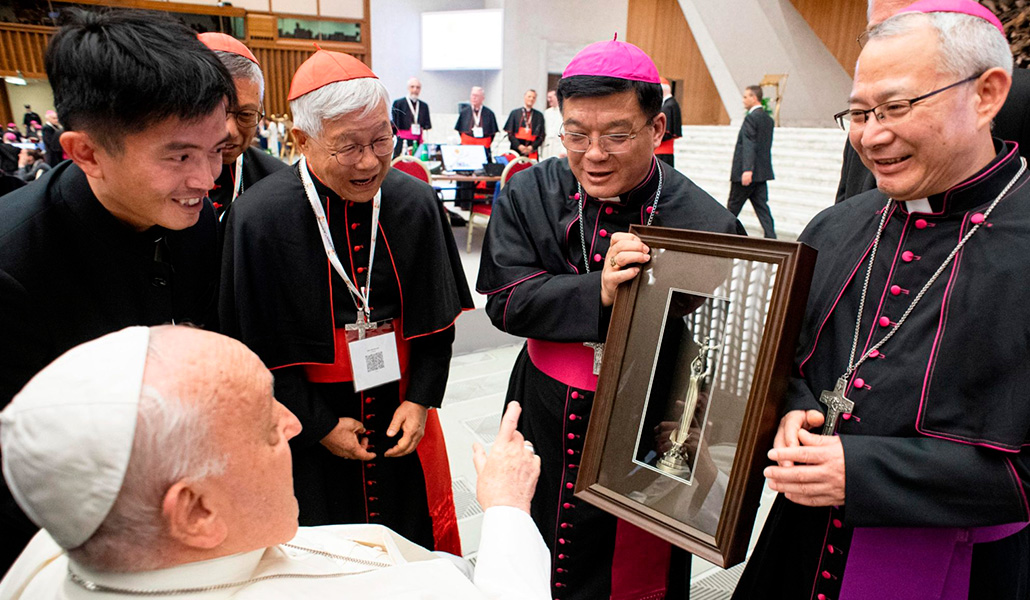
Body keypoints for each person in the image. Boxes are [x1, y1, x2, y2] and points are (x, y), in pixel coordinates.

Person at [733, 3, 1030, 599]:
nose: (872, 135)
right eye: (860, 112)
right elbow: (788, 362)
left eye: (895, 108)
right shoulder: (835, 227)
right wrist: (789, 412)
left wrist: (865, 471)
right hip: (803, 539)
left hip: (961, 567)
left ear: (987, 94)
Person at [0, 325, 551, 599]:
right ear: (194, 511)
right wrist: (505, 511)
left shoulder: (72, 534)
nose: (292, 426)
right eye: (265, 426)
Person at [476, 38, 743, 600]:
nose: (593, 153)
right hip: (544, 403)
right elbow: (504, 300)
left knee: (636, 566)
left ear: (657, 127)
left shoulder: (703, 220)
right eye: (576, 134)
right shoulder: (530, 191)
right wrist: (595, 291)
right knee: (536, 544)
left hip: (647, 415)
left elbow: (719, 336)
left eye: (617, 135)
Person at [0, 8, 232, 571]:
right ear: (87, 153)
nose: (207, 179)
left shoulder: (199, 225)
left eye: (219, 149)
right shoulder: (14, 266)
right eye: (179, 155)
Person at [221, 50, 474, 555]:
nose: (369, 161)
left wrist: (421, 399)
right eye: (348, 147)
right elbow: (251, 347)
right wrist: (318, 426)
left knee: (410, 545)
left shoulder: (415, 201)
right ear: (302, 140)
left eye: (382, 139)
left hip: (400, 403)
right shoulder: (257, 217)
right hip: (304, 419)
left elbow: (436, 321)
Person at [835, 0, 1030, 203]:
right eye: (880, 32)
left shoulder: (1019, 99)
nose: (871, 138)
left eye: (896, 107)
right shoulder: (868, 121)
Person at [198, 33, 286, 226]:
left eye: (245, 115)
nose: (230, 131)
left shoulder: (279, 181)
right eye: (215, 112)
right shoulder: (157, 178)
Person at [727, 85, 776, 238]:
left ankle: (723, 235)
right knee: (762, 208)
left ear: (754, 98)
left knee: (732, 208)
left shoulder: (751, 118)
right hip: (761, 173)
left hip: (747, 174)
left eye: (746, 96)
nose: (743, 100)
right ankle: (771, 238)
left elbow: (749, 144)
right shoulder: (768, 119)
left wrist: (747, 169)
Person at [392, 77, 432, 158]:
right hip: (402, 140)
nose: (415, 90)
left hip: (417, 140)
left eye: (418, 87)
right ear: (408, 88)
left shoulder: (424, 106)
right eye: (412, 87)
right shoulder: (398, 103)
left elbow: (426, 124)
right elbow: (395, 123)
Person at [503, 89, 545, 159]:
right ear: (524, 97)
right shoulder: (515, 113)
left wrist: (531, 147)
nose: (531, 99)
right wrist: (519, 146)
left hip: (532, 150)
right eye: (529, 96)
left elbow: (541, 135)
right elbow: (510, 134)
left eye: (534, 97)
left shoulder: (539, 115)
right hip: (516, 149)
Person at [655, 78, 682, 167]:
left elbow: (665, 131)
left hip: (662, 151)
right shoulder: (672, 103)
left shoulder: (667, 106)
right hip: (666, 151)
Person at [540, 90, 564, 160]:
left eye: (550, 97)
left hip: (559, 145)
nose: (548, 100)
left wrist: (564, 150)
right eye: (548, 97)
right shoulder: (546, 112)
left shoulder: (563, 111)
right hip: (547, 146)